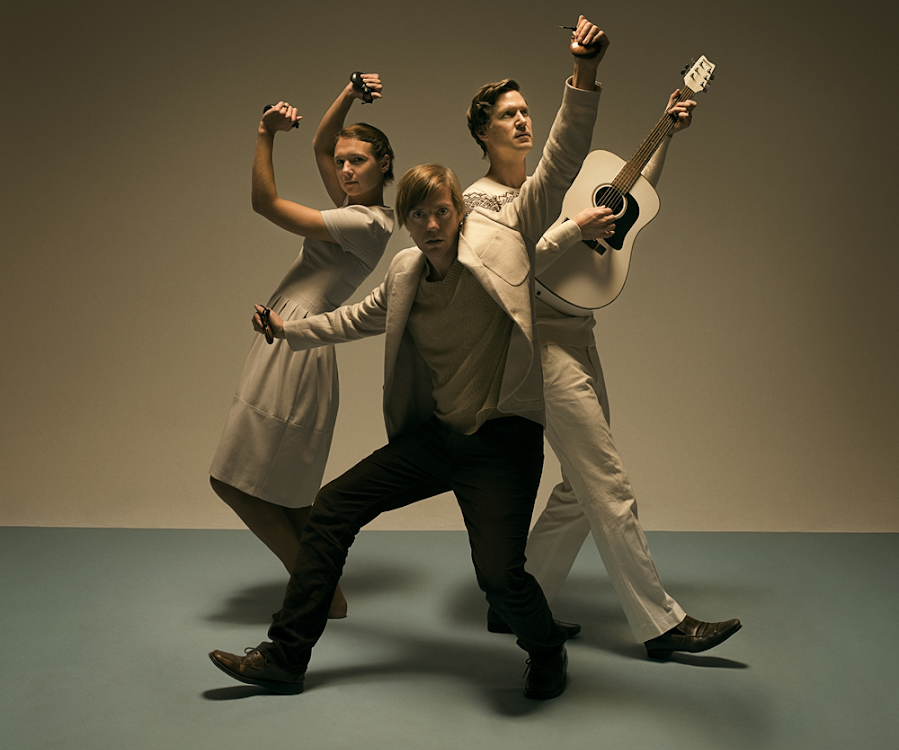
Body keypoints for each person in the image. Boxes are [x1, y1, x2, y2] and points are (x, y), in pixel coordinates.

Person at [209, 15, 608, 699]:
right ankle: (285, 656)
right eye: (417, 215)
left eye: (441, 212)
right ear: (407, 220)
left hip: (502, 440)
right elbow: (350, 319)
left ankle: (545, 649)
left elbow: (562, 159)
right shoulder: (403, 275)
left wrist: (584, 74)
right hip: (440, 437)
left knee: (499, 578)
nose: (430, 224)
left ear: (460, 211)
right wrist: (286, 331)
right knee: (333, 507)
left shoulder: (504, 240)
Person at [463, 77, 741, 660]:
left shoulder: (551, 182)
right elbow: (505, 265)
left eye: (526, 111)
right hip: (536, 345)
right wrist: (574, 230)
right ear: (483, 131)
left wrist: (666, 131)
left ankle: (516, 602)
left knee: (578, 487)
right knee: (607, 484)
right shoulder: (479, 201)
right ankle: (661, 624)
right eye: (508, 115)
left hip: (579, 333)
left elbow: (629, 192)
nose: (523, 120)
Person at [209, 74, 395, 620]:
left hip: (297, 343)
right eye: (342, 163)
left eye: (358, 161)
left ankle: (315, 595)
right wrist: (349, 92)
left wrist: (264, 133)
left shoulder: (365, 222)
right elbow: (319, 144)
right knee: (286, 496)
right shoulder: (355, 208)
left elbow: (264, 203)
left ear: (384, 164)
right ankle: (326, 596)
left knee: (234, 484)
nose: (345, 170)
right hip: (286, 336)